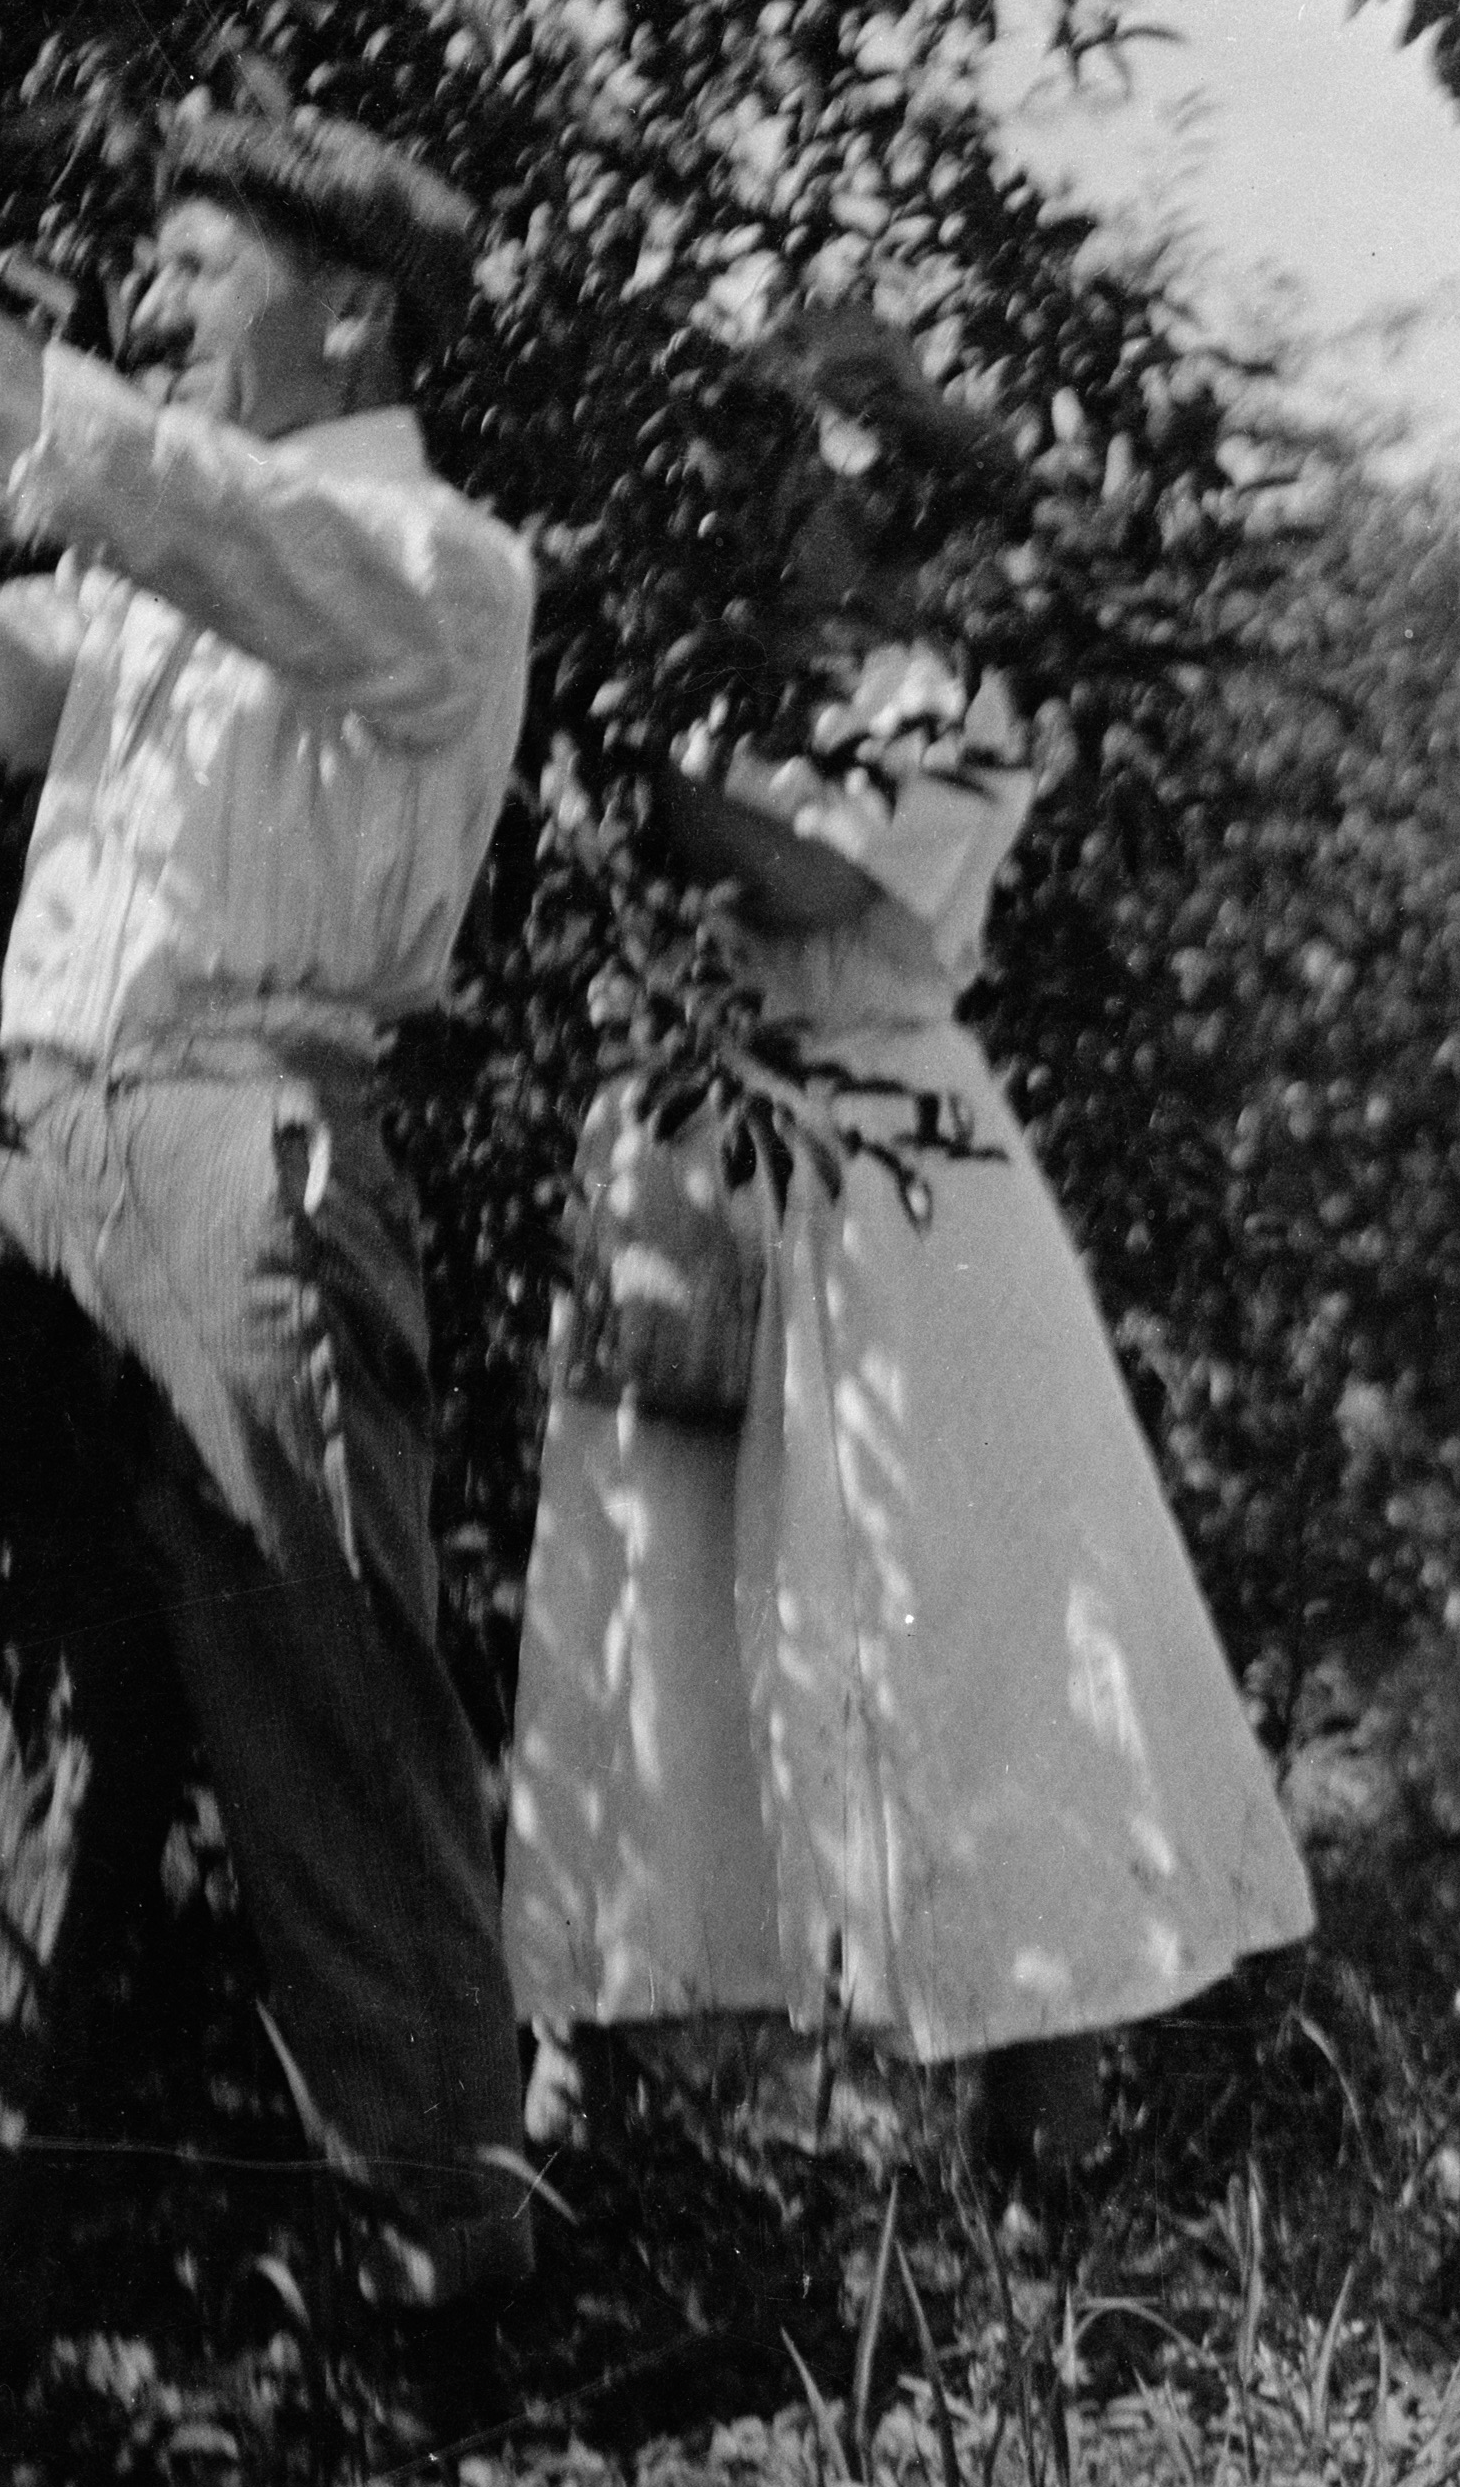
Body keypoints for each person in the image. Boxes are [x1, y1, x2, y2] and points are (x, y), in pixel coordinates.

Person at [500, 303, 1311, 2194]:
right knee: (645, 1580)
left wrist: (605, 731)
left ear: (861, 479)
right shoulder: (703, 669)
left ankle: (1044, 2114)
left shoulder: (957, 689)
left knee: (968, 1608)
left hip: (887, 1152)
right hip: (692, 1126)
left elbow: (815, 883)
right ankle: (590, 2088)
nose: (742, 493)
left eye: (780, 455)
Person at [0, 105, 539, 2309]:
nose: (144, 299)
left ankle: (455, 2238)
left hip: (239, 1150)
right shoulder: (169, 587)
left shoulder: (427, 564)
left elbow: (143, 486)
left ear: (351, 305)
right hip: (47, 1149)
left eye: (191, 261)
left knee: (319, 1698)